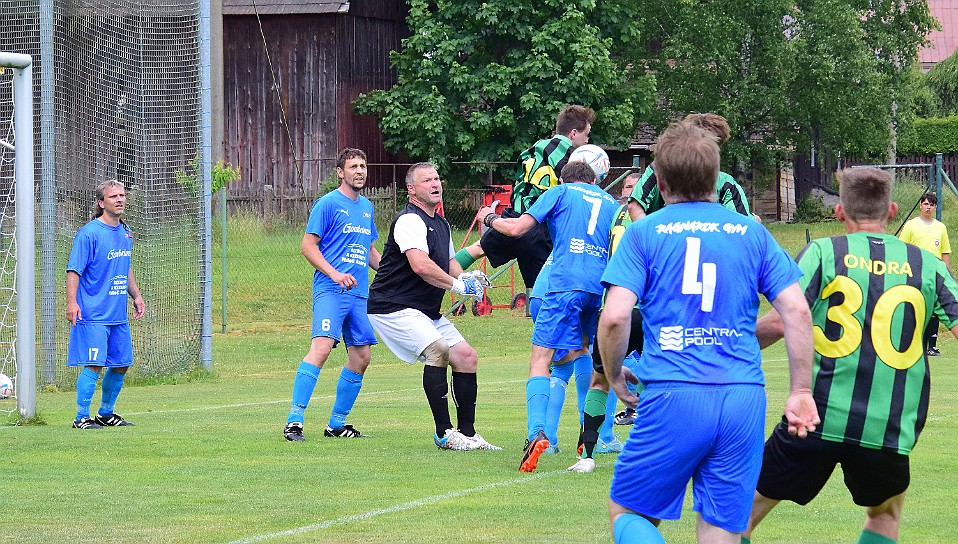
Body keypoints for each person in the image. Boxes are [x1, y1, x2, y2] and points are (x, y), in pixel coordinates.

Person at [598, 121, 819, 543]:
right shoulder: (752, 232)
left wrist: (612, 375)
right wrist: (801, 390)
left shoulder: (644, 232)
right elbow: (796, 311)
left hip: (674, 393)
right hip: (743, 398)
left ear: (659, 182)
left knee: (628, 512)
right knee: (720, 529)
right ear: (717, 178)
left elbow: (614, 317)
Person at [744, 168, 958, 544]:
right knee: (885, 514)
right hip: (886, 426)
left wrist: (726, 348)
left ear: (839, 210)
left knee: (740, 513)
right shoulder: (930, 266)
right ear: (892, 211)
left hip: (814, 418)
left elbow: (781, 323)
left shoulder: (824, 253)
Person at [478, 161, 620, 472]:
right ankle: (589, 431)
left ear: (565, 178)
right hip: (600, 289)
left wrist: (489, 217)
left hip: (564, 283)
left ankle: (536, 433)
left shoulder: (559, 192)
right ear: (595, 179)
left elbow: (516, 229)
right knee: (586, 353)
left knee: (541, 359)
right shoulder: (612, 203)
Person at [367, 162, 500, 451]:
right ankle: (444, 433)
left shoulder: (441, 224)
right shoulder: (409, 221)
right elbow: (421, 266)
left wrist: (468, 279)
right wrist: (458, 287)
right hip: (392, 304)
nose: (435, 183)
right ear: (411, 189)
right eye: (427, 180)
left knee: (466, 356)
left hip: (422, 308)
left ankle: (467, 434)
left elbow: (449, 265)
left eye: (437, 178)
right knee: (437, 349)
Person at [283, 148, 381, 442]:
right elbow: (307, 246)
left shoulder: (366, 207)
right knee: (322, 347)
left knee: (362, 357)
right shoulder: (327, 204)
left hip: (359, 294)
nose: (359, 171)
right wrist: (334, 274)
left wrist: (393, 275)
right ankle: (294, 421)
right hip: (331, 289)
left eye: (363, 165)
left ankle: (337, 424)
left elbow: (371, 252)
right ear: (340, 172)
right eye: (353, 166)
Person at [454, 105, 595, 288]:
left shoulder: (532, 150)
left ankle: (447, 273)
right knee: (548, 291)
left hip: (513, 217)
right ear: (573, 133)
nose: (587, 141)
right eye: (587, 135)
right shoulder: (569, 156)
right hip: (539, 227)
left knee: (478, 248)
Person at [66, 179, 145, 429]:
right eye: (113, 197)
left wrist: (136, 295)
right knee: (95, 363)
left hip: (117, 314)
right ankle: (81, 417)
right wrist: (71, 303)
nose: (120, 199)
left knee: (121, 364)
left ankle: (106, 413)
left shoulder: (125, 232)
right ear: (101, 202)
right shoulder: (88, 233)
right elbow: (73, 271)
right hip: (93, 312)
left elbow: (125, 266)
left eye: (122, 195)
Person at [627, 113, 753, 222]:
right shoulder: (727, 184)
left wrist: (652, 240)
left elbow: (634, 207)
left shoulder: (658, 169)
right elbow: (743, 227)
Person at [898, 191, 952, 356]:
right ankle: (914, 344)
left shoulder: (940, 227)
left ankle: (932, 346)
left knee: (934, 308)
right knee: (915, 306)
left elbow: (945, 252)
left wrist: (946, 273)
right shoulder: (911, 225)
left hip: (934, 272)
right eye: (926, 204)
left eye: (932, 204)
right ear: (921, 205)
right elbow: (901, 248)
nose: (928, 207)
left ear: (935, 207)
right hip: (915, 270)